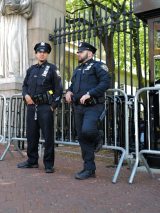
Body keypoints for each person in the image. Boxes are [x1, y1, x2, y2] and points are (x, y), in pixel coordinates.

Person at [65, 42, 111, 180]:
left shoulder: (98, 66)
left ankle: (98, 138)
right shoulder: (77, 70)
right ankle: (89, 169)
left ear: (89, 53)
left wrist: (90, 93)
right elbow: (73, 85)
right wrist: (68, 91)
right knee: (82, 137)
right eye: (78, 52)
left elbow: (105, 83)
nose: (78, 54)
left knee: (88, 130)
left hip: (93, 105)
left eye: (81, 51)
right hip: (78, 107)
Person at [18, 42, 63, 173]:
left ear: (47, 54)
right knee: (31, 135)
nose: (42, 54)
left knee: (48, 137)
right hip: (32, 107)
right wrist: (25, 95)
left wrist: (53, 106)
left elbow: (58, 89)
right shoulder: (31, 70)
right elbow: (25, 85)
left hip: (45, 107)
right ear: (36, 54)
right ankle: (32, 161)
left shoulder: (53, 69)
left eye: (44, 52)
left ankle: (48, 163)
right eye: (39, 52)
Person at [0, 0, 33, 78]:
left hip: (17, 18)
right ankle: (6, 72)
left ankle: (15, 72)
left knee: (14, 42)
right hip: (7, 19)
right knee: (6, 45)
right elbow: (1, 10)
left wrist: (16, 7)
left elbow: (28, 3)